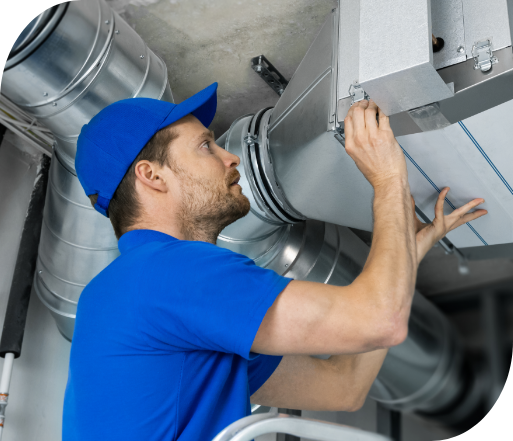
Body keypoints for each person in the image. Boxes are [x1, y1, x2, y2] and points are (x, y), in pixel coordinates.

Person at [63, 83, 487, 440]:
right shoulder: (167, 274)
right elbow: (381, 322)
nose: (230, 157)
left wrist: (406, 253)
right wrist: (388, 178)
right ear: (152, 176)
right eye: (205, 146)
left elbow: (345, 387)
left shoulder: (127, 294)